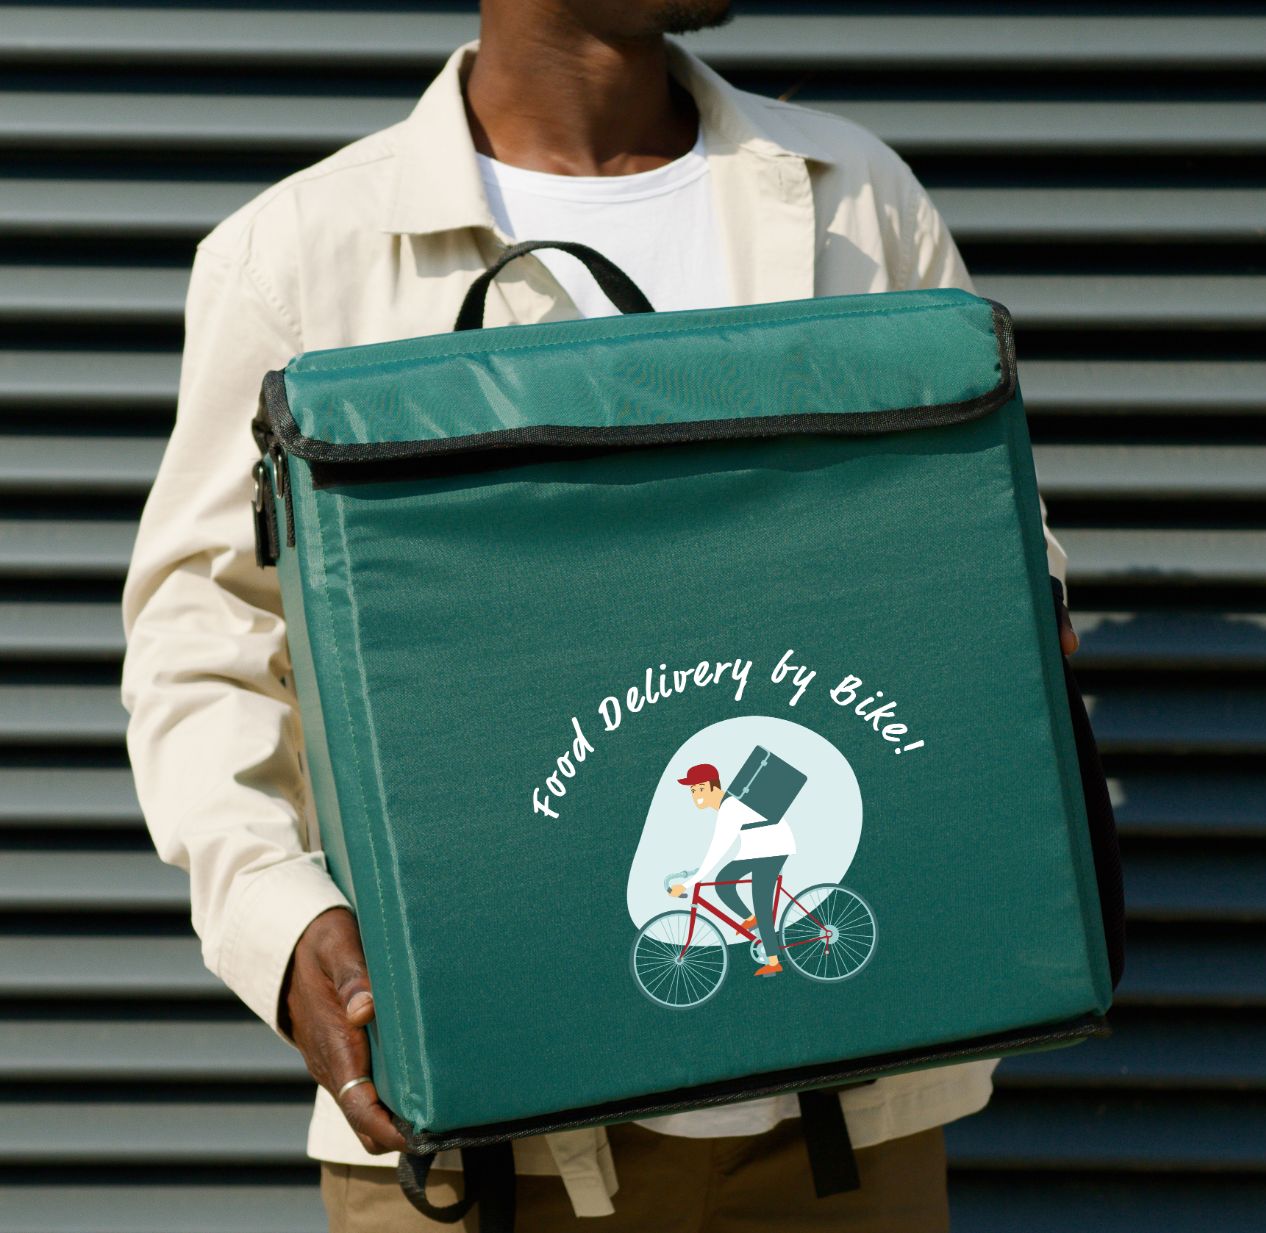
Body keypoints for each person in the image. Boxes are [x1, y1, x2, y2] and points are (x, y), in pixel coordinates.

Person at [119, 0, 1079, 1229]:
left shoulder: (850, 195)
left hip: (848, 1131)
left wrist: (1008, 644)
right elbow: (201, 646)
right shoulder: (301, 254)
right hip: (479, 1138)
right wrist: (283, 921)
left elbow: (987, 528)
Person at [669, 762, 796, 977]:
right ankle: (750, 919)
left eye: (699, 788)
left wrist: (687, 883)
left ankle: (773, 961)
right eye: (692, 790)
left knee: (761, 899)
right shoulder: (728, 807)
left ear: (713, 787)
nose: (695, 795)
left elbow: (716, 851)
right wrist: (697, 873)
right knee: (724, 882)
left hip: (773, 847)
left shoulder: (730, 808)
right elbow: (716, 853)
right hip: (756, 848)